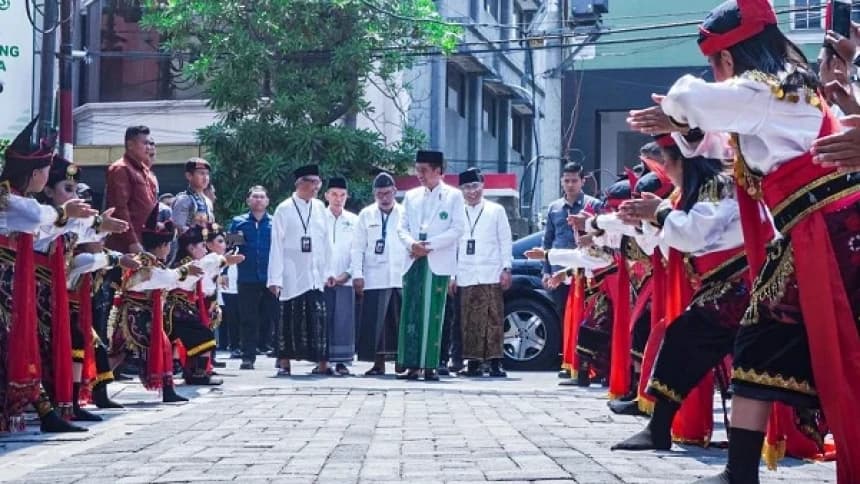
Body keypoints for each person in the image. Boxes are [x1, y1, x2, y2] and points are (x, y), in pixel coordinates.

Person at [627, 1, 860, 481]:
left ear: (728, 61)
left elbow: (694, 98)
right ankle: (739, 468)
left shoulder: (764, 91)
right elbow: (719, 131)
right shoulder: (785, 92)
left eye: (715, 65)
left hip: (823, 237)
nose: (713, 75)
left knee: (772, 344)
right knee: (758, 346)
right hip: (807, 236)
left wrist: (679, 111)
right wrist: (683, 124)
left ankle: (737, 467)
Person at [0, 117, 98, 433]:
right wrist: (68, 214)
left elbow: (46, 225)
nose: (45, 177)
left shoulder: (21, 200)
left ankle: (47, 412)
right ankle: (47, 412)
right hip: (10, 284)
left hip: (15, 286)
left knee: (14, 343)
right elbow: (36, 218)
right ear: (34, 174)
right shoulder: (8, 199)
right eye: (45, 172)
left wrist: (86, 222)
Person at [108, 206, 201, 403]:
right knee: (121, 353)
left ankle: (167, 390)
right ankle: (96, 387)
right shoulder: (145, 263)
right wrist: (184, 271)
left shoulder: (150, 261)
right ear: (160, 246)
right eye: (167, 245)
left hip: (143, 312)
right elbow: (162, 279)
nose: (169, 250)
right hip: (135, 314)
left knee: (124, 352)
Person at [396, 150, 465, 381]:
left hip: (437, 258)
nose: (419, 175)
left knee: (434, 314)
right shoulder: (412, 196)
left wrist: (430, 245)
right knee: (412, 313)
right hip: (414, 258)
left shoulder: (454, 196)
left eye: (424, 170)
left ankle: (431, 364)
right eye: (417, 170)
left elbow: (457, 229)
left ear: (438, 170)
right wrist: (412, 244)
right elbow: (401, 227)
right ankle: (412, 364)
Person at [268, 165, 331, 376]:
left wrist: (328, 271)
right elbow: (276, 244)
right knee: (288, 318)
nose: (316, 187)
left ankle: (323, 364)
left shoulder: (321, 207)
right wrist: (274, 278)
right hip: (291, 273)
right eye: (313, 182)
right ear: (300, 183)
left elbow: (326, 242)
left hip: (315, 272)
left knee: (319, 319)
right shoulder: (284, 208)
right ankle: (285, 363)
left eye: (318, 183)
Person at [450, 168, 512, 377]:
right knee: (469, 320)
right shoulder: (457, 212)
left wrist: (506, 268)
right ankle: (474, 363)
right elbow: (453, 247)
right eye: (467, 188)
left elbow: (505, 241)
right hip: (465, 272)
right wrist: (452, 276)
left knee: (493, 318)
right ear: (461, 190)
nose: (471, 192)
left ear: (482, 186)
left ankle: (496, 363)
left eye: (475, 186)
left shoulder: (496, 210)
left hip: (491, 271)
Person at [542, 162, 600, 379]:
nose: (570, 184)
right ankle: (567, 362)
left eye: (574, 180)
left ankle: (586, 364)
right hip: (559, 271)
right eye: (566, 180)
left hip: (586, 270)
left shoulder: (593, 206)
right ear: (561, 182)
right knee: (563, 317)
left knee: (586, 318)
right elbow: (547, 240)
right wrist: (546, 271)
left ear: (583, 181)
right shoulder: (554, 208)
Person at [352, 173, 406, 376]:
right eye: (379, 194)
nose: (384, 197)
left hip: (400, 275)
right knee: (376, 323)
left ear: (394, 191)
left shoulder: (405, 213)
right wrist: (357, 274)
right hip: (374, 276)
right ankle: (378, 363)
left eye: (387, 193)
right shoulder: (366, 215)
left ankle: (402, 360)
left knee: (400, 320)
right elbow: (357, 248)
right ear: (374, 194)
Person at [230, 186, 277, 370]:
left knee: (273, 316)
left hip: (270, 277)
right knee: (248, 318)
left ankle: (279, 355)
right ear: (248, 200)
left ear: (267, 201)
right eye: (254, 197)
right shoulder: (238, 222)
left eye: (262, 197)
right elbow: (232, 249)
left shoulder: (274, 222)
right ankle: (248, 356)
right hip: (247, 276)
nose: (258, 200)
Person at [323, 176, 358, 376]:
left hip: (346, 278)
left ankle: (343, 362)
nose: (338, 198)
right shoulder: (319, 217)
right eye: (334, 194)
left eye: (342, 195)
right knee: (323, 320)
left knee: (344, 321)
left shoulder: (354, 220)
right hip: (323, 279)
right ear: (327, 195)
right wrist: (327, 274)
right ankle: (323, 360)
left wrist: (348, 274)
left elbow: (358, 250)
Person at [105, 126, 158, 254]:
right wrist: (132, 242)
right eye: (144, 143)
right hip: (125, 245)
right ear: (130, 145)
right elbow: (120, 208)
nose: (148, 147)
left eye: (150, 143)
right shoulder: (121, 169)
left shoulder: (145, 170)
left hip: (145, 240)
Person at [171, 158, 215, 233]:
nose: (205, 178)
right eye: (201, 173)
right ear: (189, 176)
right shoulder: (183, 200)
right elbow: (177, 227)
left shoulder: (208, 201)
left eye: (207, 174)